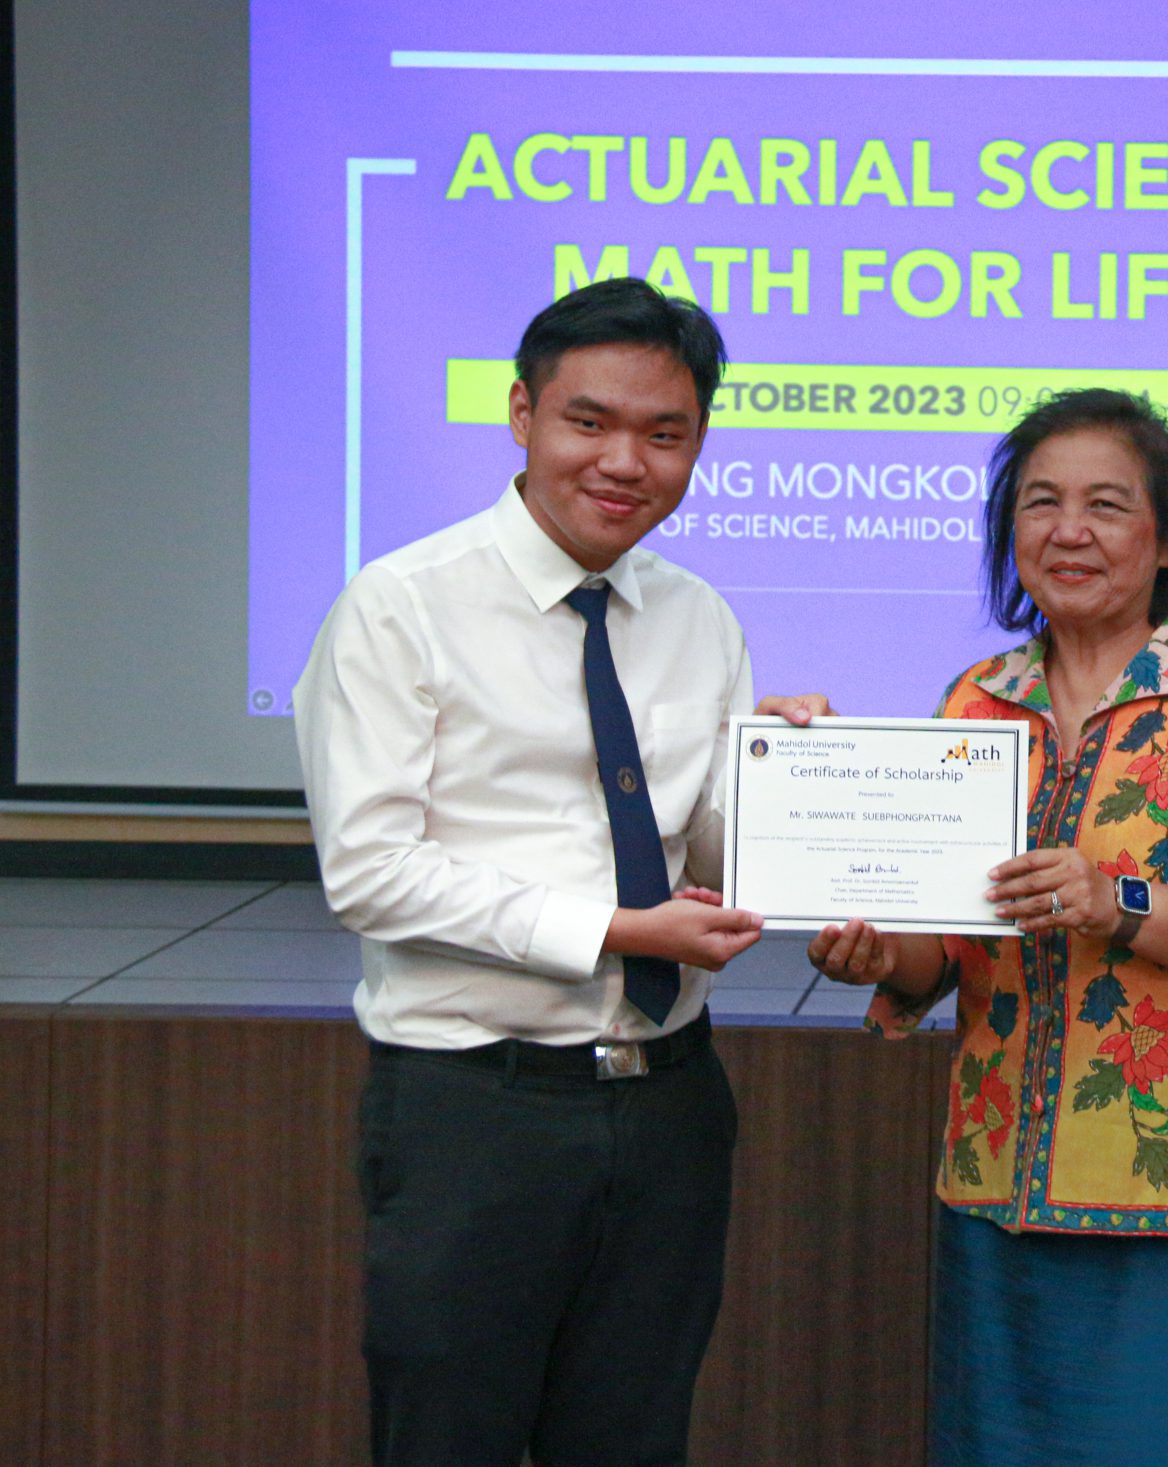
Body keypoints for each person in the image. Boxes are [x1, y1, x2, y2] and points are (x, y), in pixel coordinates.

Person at [295, 278, 822, 1467]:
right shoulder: (402, 607)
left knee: (634, 1441)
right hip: (476, 1110)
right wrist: (617, 933)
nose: (625, 462)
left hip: (671, 1102)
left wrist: (793, 783)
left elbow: (707, 854)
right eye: (590, 421)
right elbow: (371, 874)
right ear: (522, 415)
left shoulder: (697, 616)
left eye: (665, 433)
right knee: (450, 1442)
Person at [809, 388, 1168, 1466]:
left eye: (1106, 505)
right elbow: (946, 941)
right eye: (1040, 503)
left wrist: (1122, 903)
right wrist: (878, 953)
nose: (1068, 531)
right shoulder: (978, 700)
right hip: (1002, 1181)